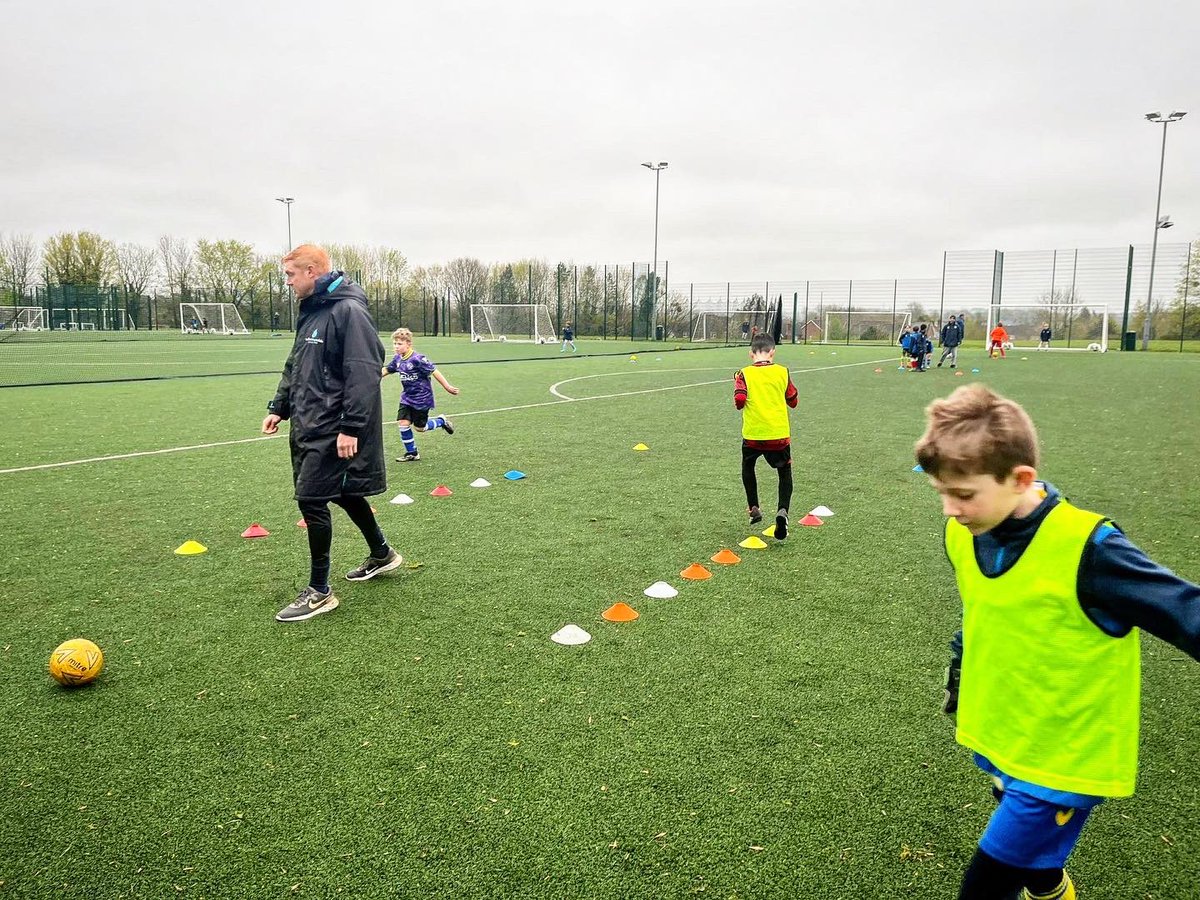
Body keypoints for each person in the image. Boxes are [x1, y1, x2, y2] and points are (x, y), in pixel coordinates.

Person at [915, 383, 1200, 900]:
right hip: (1005, 732)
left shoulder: (1091, 550)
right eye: (941, 493)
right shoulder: (965, 532)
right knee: (1037, 869)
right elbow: (981, 613)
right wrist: (961, 673)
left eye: (963, 494)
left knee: (984, 889)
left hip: (1063, 757)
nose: (949, 510)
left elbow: (1189, 613)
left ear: (1020, 478)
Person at [262, 244, 403, 623]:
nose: (288, 282)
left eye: (291, 275)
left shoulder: (348, 311)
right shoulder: (313, 312)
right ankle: (383, 554)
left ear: (311, 271)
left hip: (333, 425)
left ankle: (320, 591)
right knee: (343, 492)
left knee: (311, 499)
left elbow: (363, 373)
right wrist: (279, 406)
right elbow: (296, 365)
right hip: (310, 421)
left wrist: (350, 427)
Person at [734, 333, 798, 539]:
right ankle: (782, 512)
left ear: (751, 354)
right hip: (777, 435)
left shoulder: (744, 374)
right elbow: (793, 400)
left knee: (748, 466)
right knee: (784, 472)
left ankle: (753, 507)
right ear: (772, 352)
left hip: (753, 435)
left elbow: (740, 401)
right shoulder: (782, 372)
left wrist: (739, 386)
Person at [382, 327, 459, 462]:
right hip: (406, 398)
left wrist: (447, 386)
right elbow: (387, 370)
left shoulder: (418, 359)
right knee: (403, 424)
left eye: (399, 344)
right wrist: (369, 377)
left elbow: (434, 371)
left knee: (420, 428)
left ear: (409, 344)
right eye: (395, 343)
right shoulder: (397, 359)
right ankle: (412, 453)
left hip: (422, 399)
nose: (396, 346)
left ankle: (441, 421)